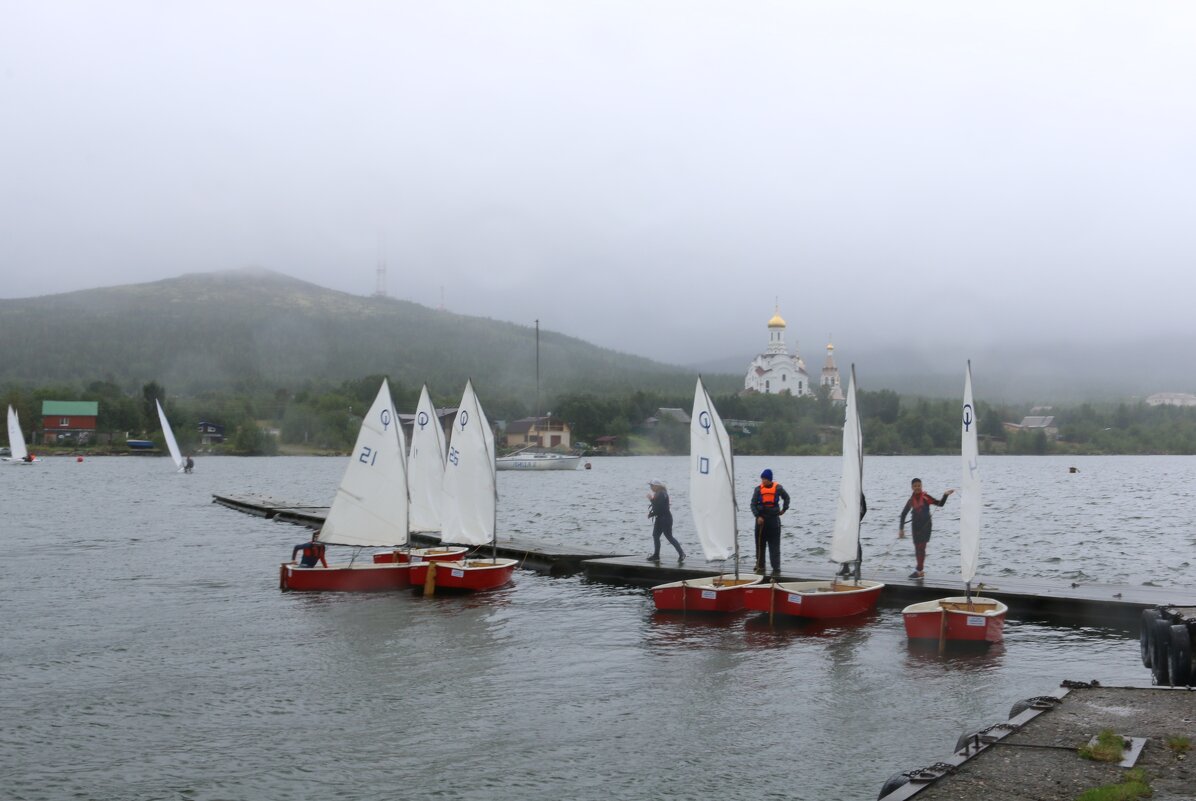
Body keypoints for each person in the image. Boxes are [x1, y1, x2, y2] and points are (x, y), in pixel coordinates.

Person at [899, 478, 954, 579]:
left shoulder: (926, 497)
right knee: (917, 548)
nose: (917, 488)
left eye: (919, 485)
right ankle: (920, 571)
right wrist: (901, 529)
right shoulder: (911, 501)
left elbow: (940, 504)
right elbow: (903, 514)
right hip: (915, 527)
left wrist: (945, 495)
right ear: (912, 487)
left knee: (922, 548)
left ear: (921, 486)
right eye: (915, 486)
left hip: (926, 526)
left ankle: (919, 570)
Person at [750, 468, 790, 576]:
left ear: (770, 479)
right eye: (762, 478)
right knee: (759, 545)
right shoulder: (758, 489)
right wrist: (757, 516)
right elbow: (752, 504)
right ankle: (760, 566)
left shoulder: (778, 488)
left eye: (765, 479)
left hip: (773, 521)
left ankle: (776, 568)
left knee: (774, 546)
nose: (763, 480)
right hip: (761, 522)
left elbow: (787, 498)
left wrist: (784, 509)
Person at [646, 479, 685, 562]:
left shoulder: (662, 493)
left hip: (665, 518)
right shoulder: (658, 493)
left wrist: (651, 499)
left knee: (669, 537)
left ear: (657, 486)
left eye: (652, 485)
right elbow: (658, 508)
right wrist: (651, 514)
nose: (651, 487)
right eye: (650, 485)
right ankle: (656, 555)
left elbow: (659, 506)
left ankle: (682, 554)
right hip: (660, 518)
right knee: (655, 536)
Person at [836, 494, 867, 577]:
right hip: (846, 520)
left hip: (855, 521)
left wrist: (858, 519)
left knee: (856, 543)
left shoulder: (859, 493)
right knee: (844, 542)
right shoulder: (847, 491)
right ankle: (845, 567)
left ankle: (857, 569)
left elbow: (864, 509)